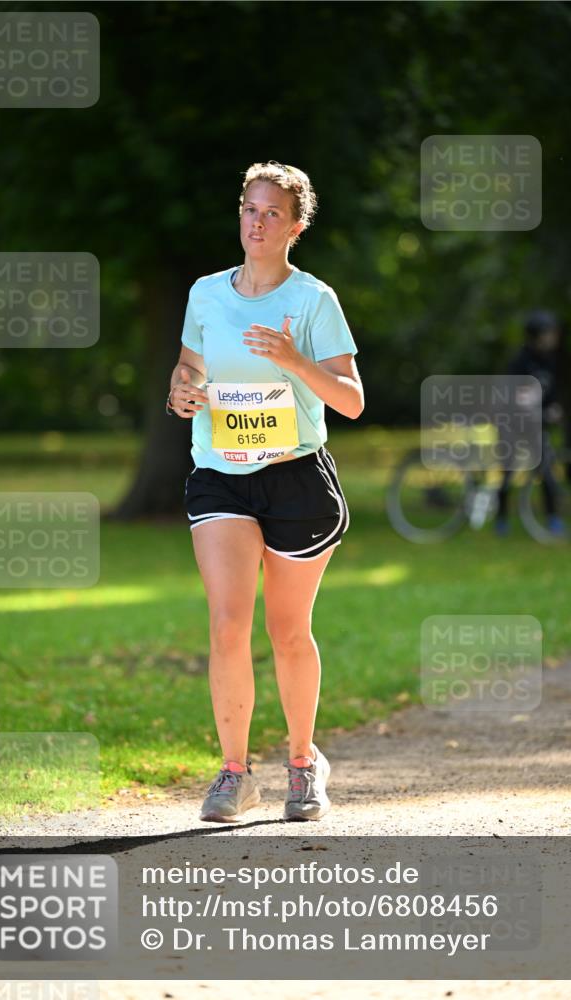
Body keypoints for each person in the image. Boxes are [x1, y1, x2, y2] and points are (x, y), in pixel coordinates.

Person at [166, 161, 363, 822]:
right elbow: (188, 369)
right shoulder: (204, 293)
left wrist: (294, 361)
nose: (256, 222)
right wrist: (181, 391)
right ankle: (232, 773)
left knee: (286, 630)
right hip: (220, 470)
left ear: (295, 227)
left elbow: (353, 400)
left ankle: (304, 765)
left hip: (295, 479)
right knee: (227, 621)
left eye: (271, 213)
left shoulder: (313, 301)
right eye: (249, 209)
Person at [495, 310, 563, 536]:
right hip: (512, 423)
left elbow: (549, 393)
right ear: (537, 335)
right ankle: (501, 519)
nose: (553, 336)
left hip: (536, 425)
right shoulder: (520, 362)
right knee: (508, 472)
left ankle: (553, 519)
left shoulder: (550, 361)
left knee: (546, 471)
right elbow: (514, 396)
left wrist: (552, 408)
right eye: (549, 332)